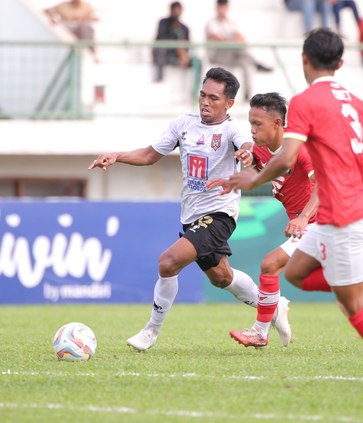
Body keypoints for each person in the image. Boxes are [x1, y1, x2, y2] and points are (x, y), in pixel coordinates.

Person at [227, 29, 363, 390]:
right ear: (340, 63)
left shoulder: (305, 103)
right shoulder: (355, 102)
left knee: (352, 305)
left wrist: (251, 181)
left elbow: (289, 158)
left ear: (304, 60)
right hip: (351, 209)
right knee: (295, 273)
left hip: (339, 214)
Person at [208, 93, 363, 348]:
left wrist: (303, 218)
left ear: (277, 123)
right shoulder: (263, 150)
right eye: (250, 123)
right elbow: (259, 163)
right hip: (320, 224)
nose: (251, 131)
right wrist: (233, 180)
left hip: (324, 221)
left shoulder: (301, 150)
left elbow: (323, 183)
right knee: (345, 286)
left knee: (270, 264)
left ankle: (260, 331)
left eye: (258, 124)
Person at [87, 67, 291, 351]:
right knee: (222, 278)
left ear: (229, 103)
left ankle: (150, 331)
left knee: (168, 262)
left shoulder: (233, 128)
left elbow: (246, 144)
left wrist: (246, 152)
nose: (205, 102)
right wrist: (117, 155)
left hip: (220, 215)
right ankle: (272, 304)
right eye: (202, 95)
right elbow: (149, 155)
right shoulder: (183, 124)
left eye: (214, 98)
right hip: (192, 216)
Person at [205, 0, 272, 101]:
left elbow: (240, 37)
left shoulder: (230, 23)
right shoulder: (212, 23)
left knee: (245, 63)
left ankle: (247, 95)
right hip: (217, 54)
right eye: (220, 7)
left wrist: (234, 41)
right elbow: (217, 38)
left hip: (232, 55)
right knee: (238, 48)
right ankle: (256, 63)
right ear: (217, 7)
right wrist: (231, 42)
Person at [152, 2, 194, 83]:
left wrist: (182, 53)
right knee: (161, 50)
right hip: (166, 55)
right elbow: (162, 39)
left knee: (196, 61)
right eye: (175, 11)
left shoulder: (184, 28)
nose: (176, 14)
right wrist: (176, 46)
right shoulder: (163, 23)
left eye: (178, 11)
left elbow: (187, 45)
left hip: (178, 57)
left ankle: (197, 85)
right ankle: (159, 78)